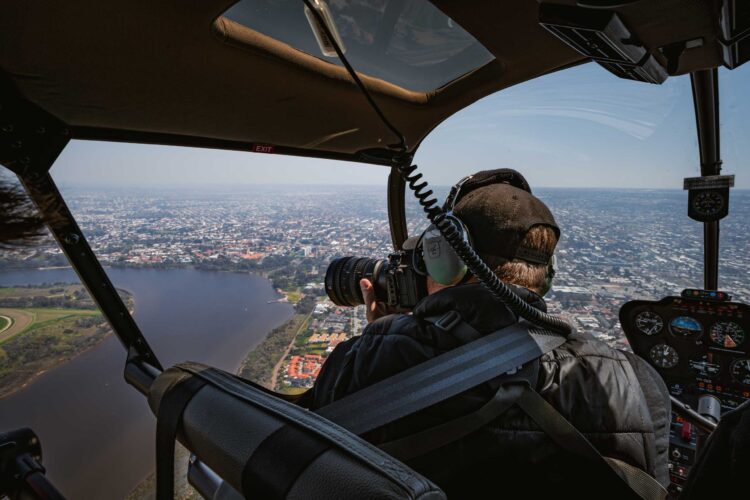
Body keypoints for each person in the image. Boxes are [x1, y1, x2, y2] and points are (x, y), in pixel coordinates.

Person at [298, 169, 671, 498]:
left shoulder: (363, 363)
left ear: (447, 258)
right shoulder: (636, 380)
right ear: (546, 274)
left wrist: (381, 335)